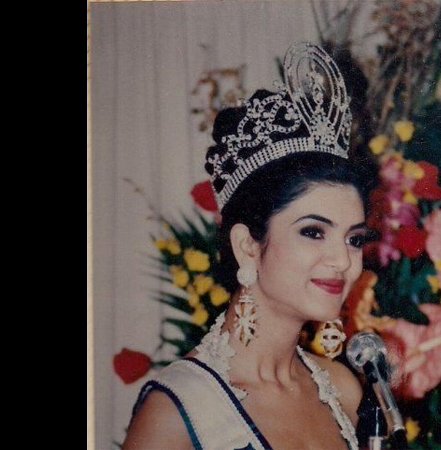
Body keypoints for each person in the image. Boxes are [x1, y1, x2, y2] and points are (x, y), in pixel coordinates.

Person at [123, 42, 371, 450]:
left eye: (354, 239)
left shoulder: (343, 390)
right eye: (313, 232)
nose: (343, 260)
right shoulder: (179, 411)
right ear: (247, 245)